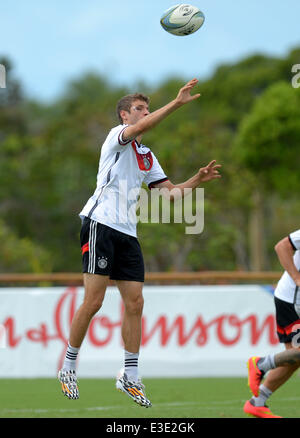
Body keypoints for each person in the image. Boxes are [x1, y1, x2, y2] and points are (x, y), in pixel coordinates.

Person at [57, 78, 222, 407]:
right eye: (139, 109)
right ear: (124, 116)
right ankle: (68, 366)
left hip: (127, 233)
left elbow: (171, 195)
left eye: (146, 108)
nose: (144, 113)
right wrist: (176, 103)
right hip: (99, 224)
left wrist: (197, 180)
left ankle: (129, 375)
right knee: (94, 302)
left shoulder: (146, 156)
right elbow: (143, 126)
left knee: (135, 303)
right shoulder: (115, 139)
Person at [244, 229, 300, 418]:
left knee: (294, 359)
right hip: (292, 301)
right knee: (298, 353)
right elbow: (282, 246)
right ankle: (260, 364)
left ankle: (257, 402)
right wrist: (297, 278)